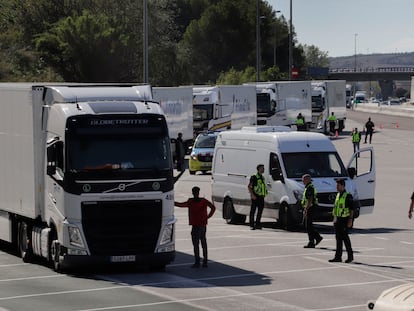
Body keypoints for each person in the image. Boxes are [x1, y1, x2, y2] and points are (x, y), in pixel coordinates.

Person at [175, 186, 216, 268]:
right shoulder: (204, 201)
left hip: (195, 225)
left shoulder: (191, 201)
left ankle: (197, 262)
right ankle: (205, 261)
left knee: (196, 244)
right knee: (204, 243)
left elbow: (181, 205)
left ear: (193, 193)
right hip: (203, 225)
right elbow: (213, 207)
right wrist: (208, 216)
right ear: (198, 192)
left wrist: (173, 202)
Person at [329, 179, 354, 263]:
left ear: (343, 186)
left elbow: (352, 209)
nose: (336, 187)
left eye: (338, 185)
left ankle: (350, 257)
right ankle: (338, 257)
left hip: (345, 220)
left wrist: (350, 220)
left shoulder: (348, 196)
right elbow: (336, 208)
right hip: (338, 220)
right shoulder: (338, 195)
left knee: (345, 239)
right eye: (336, 185)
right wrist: (334, 219)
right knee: (338, 239)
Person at [302, 174, 323, 248]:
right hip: (311, 207)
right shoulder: (309, 187)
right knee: (308, 225)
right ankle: (317, 238)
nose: (302, 181)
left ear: (308, 180)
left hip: (310, 208)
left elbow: (310, 200)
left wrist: (306, 209)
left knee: (308, 225)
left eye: (304, 179)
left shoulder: (309, 188)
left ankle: (312, 241)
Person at [248, 164, 268, 230]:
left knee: (260, 211)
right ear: (258, 169)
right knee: (253, 211)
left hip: (261, 197)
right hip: (255, 196)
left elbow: (263, 187)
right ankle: (251, 225)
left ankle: (257, 224)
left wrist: (264, 194)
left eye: (263, 168)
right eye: (262, 168)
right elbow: (249, 186)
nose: (263, 169)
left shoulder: (262, 177)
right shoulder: (254, 177)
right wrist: (252, 195)